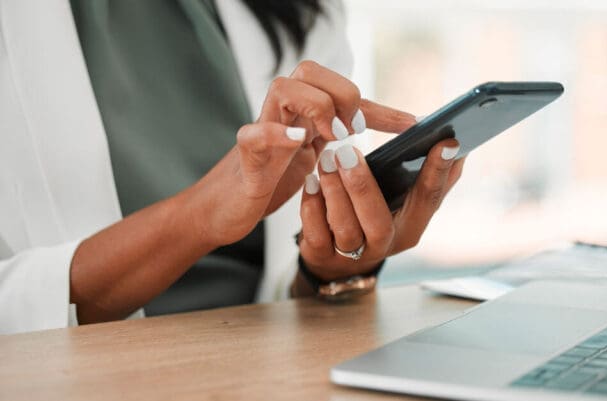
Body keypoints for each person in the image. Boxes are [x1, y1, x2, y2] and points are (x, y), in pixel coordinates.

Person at [0, 0, 464, 334]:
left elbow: (288, 298)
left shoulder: (303, 11)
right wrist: (200, 217)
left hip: (252, 362)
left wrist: (332, 268)